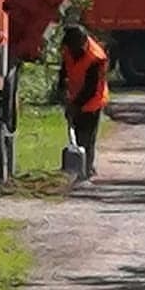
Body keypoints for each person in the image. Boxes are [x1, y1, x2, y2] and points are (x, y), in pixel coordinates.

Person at [58, 25, 109, 179]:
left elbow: (90, 89)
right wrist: (62, 89)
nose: (70, 51)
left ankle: (85, 171)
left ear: (81, 43)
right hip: (75, 96)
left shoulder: (96, 58)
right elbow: (64, 70)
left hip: (93, 101)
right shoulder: (69, 48)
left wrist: (75, 106)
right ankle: (78, 167)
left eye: (72, 48)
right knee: (76, 134)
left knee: (86, 137)